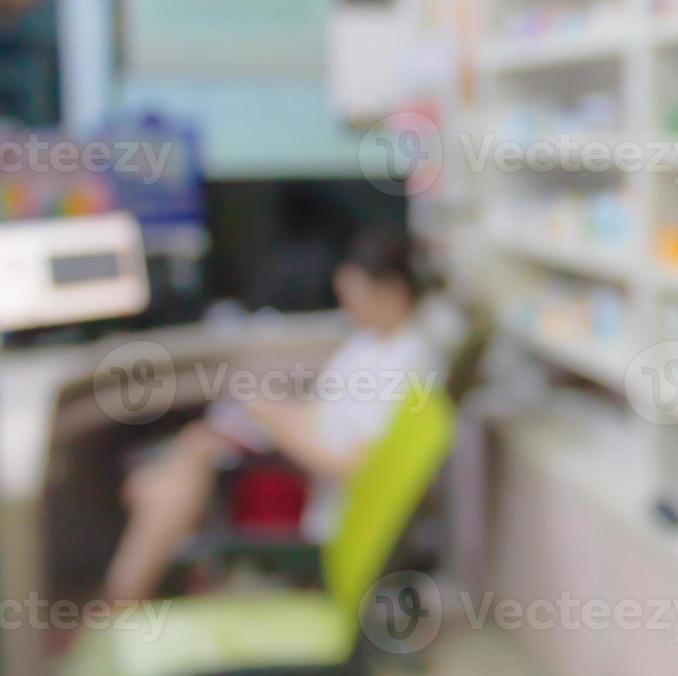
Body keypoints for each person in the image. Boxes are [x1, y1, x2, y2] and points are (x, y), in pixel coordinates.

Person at [103, 225, 441, 604]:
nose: (349, 307)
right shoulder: (372, 343)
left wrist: (275, 421)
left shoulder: (406, 364)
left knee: (184, 469)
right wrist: (271, 413)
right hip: (303, 466)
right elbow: (323, 417)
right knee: (194, 450)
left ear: (392, 292)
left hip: (319, 502)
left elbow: (351, 466)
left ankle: (122, 603)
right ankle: (133, 592)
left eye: (356, 296)